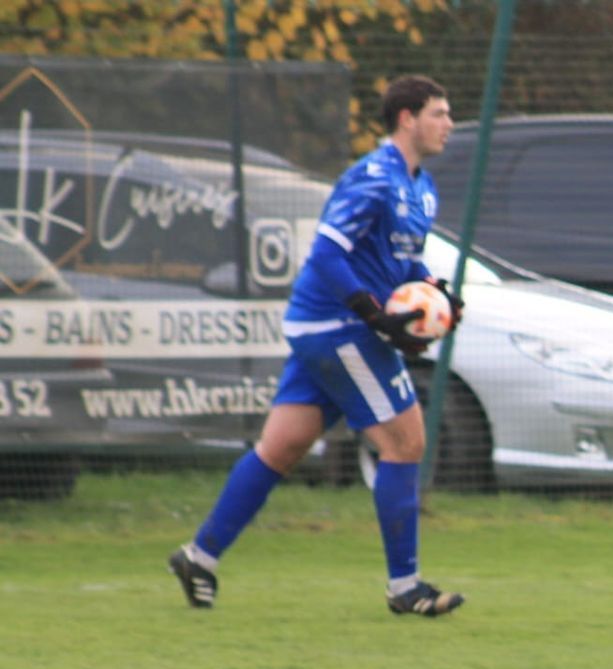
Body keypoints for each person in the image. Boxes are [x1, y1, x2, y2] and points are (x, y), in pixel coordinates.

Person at [168, 75, 467, 617]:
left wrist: (437, 297)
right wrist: (377, 317)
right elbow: (328, 255)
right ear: (407, 118)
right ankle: (405, 588)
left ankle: (199, 556)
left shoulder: (421, 186)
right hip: (339, 328)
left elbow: (403, 263)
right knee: (407, 443)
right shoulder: (373, 178)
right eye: (439, 113)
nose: (449, 124)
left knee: (280, 448)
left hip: (322, 328)